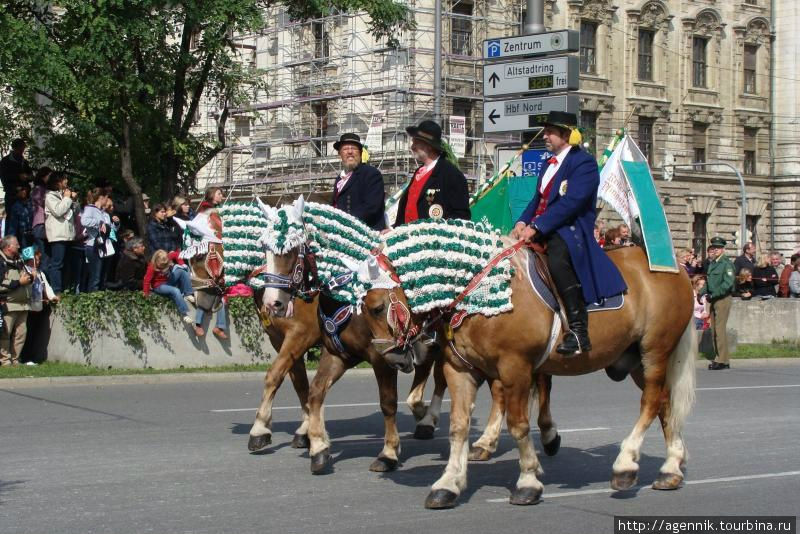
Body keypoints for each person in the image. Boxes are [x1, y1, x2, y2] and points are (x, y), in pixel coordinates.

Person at [512, 111, 627, 355]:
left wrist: (537, 226)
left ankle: (577, 330)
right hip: (543, 228)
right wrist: (522, 222)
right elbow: (537, 200)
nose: (545, 136)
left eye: (550, 131)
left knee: (558, 261)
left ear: (566, 134)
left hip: (569, 230)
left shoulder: (583, 163)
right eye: (546, 131)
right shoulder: (547, 163)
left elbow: (571, 202)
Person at [393, 120, 470, 226]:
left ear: (429, 146)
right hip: (408, 237)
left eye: (416, 143)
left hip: (432, 239)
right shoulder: (418, 172)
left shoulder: (451, 175)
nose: (412, 147)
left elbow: (461, 215)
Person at [330, 133, 386, 231]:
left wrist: (345, 224)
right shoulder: (339, 178)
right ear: (340, 154)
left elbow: (372, 207)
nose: (350, 152)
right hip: (342, 234)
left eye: (354, 148)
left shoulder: (371, 174)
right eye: (346, 149)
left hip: (366, 234)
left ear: (360, 153)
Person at [699, 236, 735, 370]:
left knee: (719, 330)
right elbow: (709, 282)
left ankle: (722, 360)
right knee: (714, 329)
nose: (716, 250)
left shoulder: (726, 264)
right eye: (714, 248)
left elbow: (728, 283)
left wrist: (714, 294)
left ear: (723, 249)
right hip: (714, 298)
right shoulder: (713, 263)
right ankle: (719, 358)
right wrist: (701, 293)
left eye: (718, 248)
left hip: (722, 298)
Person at [0, 235, 33, 366]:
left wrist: (32, 277)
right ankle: (5, 360)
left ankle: (15, 360)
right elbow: (2, 283)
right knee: (5, 334)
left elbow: (25, 278)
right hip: (7, 304)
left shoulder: (19, 260)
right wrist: (19, 282)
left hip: (23, 305)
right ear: (8, 247)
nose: (19, 246)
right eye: (16, 244)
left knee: (21, 334)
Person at [43, 173, 78, 294]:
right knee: (57, 263)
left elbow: (74, 212)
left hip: (68, 234)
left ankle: (66, 288)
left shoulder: (64, 196)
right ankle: (57, 290)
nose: (67, 182)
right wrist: (67, 198)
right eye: (64, 180)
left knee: (67, 264)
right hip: (58, 235)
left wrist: (73, 200)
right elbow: (58, 211)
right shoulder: (50, 196)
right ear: (57, 182)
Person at [143, 249, 195, 325]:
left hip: (168, 281)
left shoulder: (167, 257)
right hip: (159, 286)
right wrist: (146, 293)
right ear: (156, 261)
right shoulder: (151, 267)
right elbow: (146, 281)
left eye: (165, 265)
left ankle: (188, 293)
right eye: (161, 265)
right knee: (175, 291)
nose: (163, 267)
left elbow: (177, 254)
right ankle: (185, 314)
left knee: (181, 271)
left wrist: (181, 263)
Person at [80, 188, 112, 293]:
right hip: (92, 245)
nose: (107, 201)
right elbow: (84, 221)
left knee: (98, 276)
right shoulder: (90, 208)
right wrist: (99, 223)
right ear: (101, 198)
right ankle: (92, 300)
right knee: (95, 277)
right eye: (106, 199)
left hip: (100, 246)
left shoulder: (100, 211)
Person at [0, 139, 33, 210]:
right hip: (12, 195)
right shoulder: (5, 161)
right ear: (14, 148)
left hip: (25, 194)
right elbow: (4, 178)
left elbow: (31, 176)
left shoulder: (24, 162)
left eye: (23, 149)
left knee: (25, 218)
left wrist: (28, 177)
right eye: (20, 149)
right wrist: (18, 177)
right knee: (12, 217)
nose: (22, 151)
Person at [30, 167, 51, 257]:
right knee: (42, 255)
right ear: (44, 177)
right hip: (40, 223)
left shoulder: (45, 189)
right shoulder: (38, 189)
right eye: (50, 176)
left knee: (44, 254)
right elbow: (43, 202)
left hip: (44, 224)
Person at [7, 183, 34, 248]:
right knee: (28, 256)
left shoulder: (33, 202)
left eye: (24, 189)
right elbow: (13, 225)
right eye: (21, 190)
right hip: (24, 236)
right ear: (17, 193)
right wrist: (11, 240)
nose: (23, 191)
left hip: (35, 234)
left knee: (39, 256)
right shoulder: (15, 207)